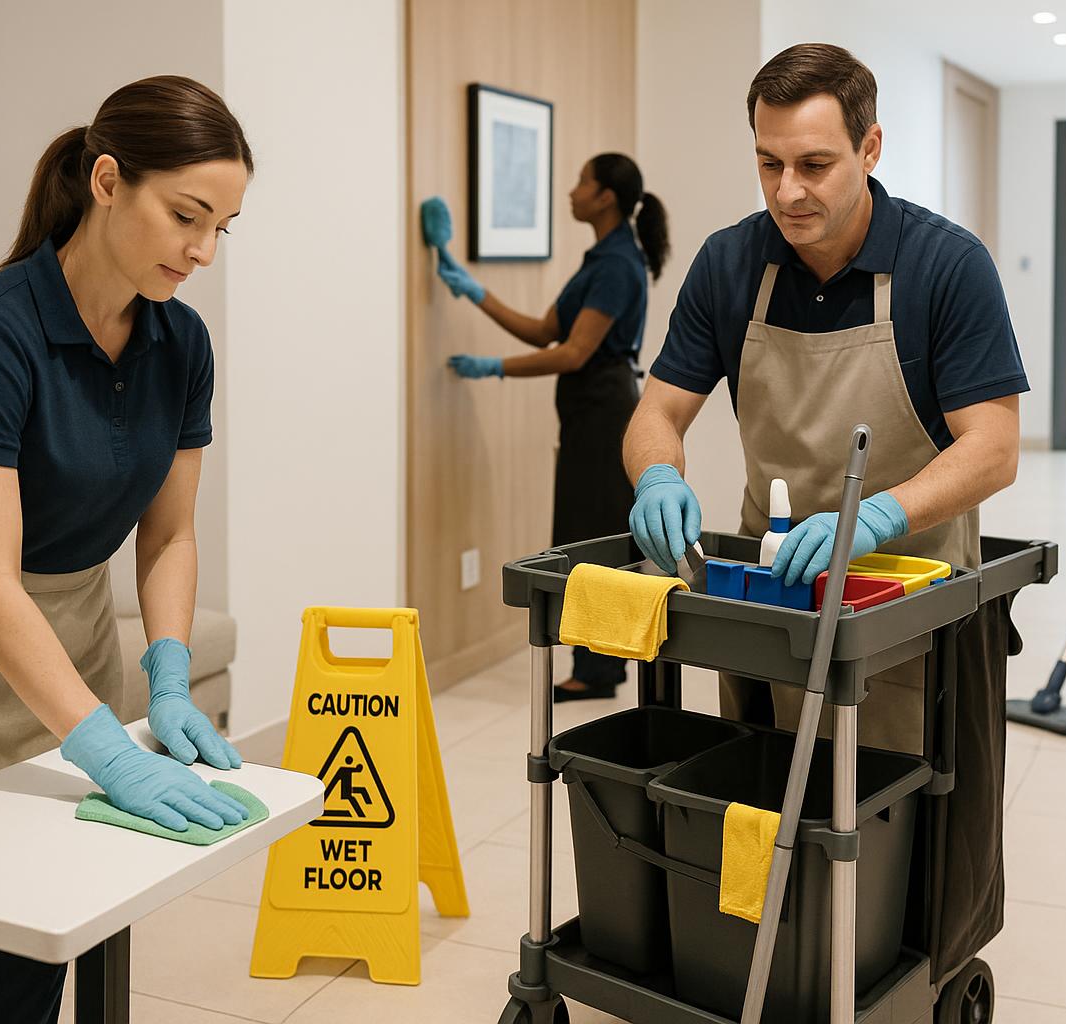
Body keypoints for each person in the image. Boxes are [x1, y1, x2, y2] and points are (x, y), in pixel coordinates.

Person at [620, 43, 1026, 979]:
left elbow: (993, 447)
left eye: (814, 164)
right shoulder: (731, 264)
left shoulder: (944, 267)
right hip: (770, 597)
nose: (788, 190)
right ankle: (775, 972)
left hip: (905, 607)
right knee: (762, 801)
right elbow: (658, 412)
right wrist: (658, 476)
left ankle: (877, 977)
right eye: (768, 162)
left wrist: (877, 519)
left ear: (870, 146)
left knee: (888, 824)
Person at [0, 76, 252, 1023]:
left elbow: (169, 532)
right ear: (109, 181)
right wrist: (107, 756)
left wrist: (162, 675)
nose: (203, 251)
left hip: (73, 644)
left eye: (223, 228)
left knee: (28, 957)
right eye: (186, 216)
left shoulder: (183, 341)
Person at [439, 154, 670, 702]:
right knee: (582, 534)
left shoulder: (616, 264)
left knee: (589, 540)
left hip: (604, 412)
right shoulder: (602, 259)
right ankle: (597, 667)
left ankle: (594, 670)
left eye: (581, 182)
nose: (571, 191)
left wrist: (494, 367)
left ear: (605, 196)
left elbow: (572, 353)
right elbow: (545, 329)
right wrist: (475, 291)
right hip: (589, 412)